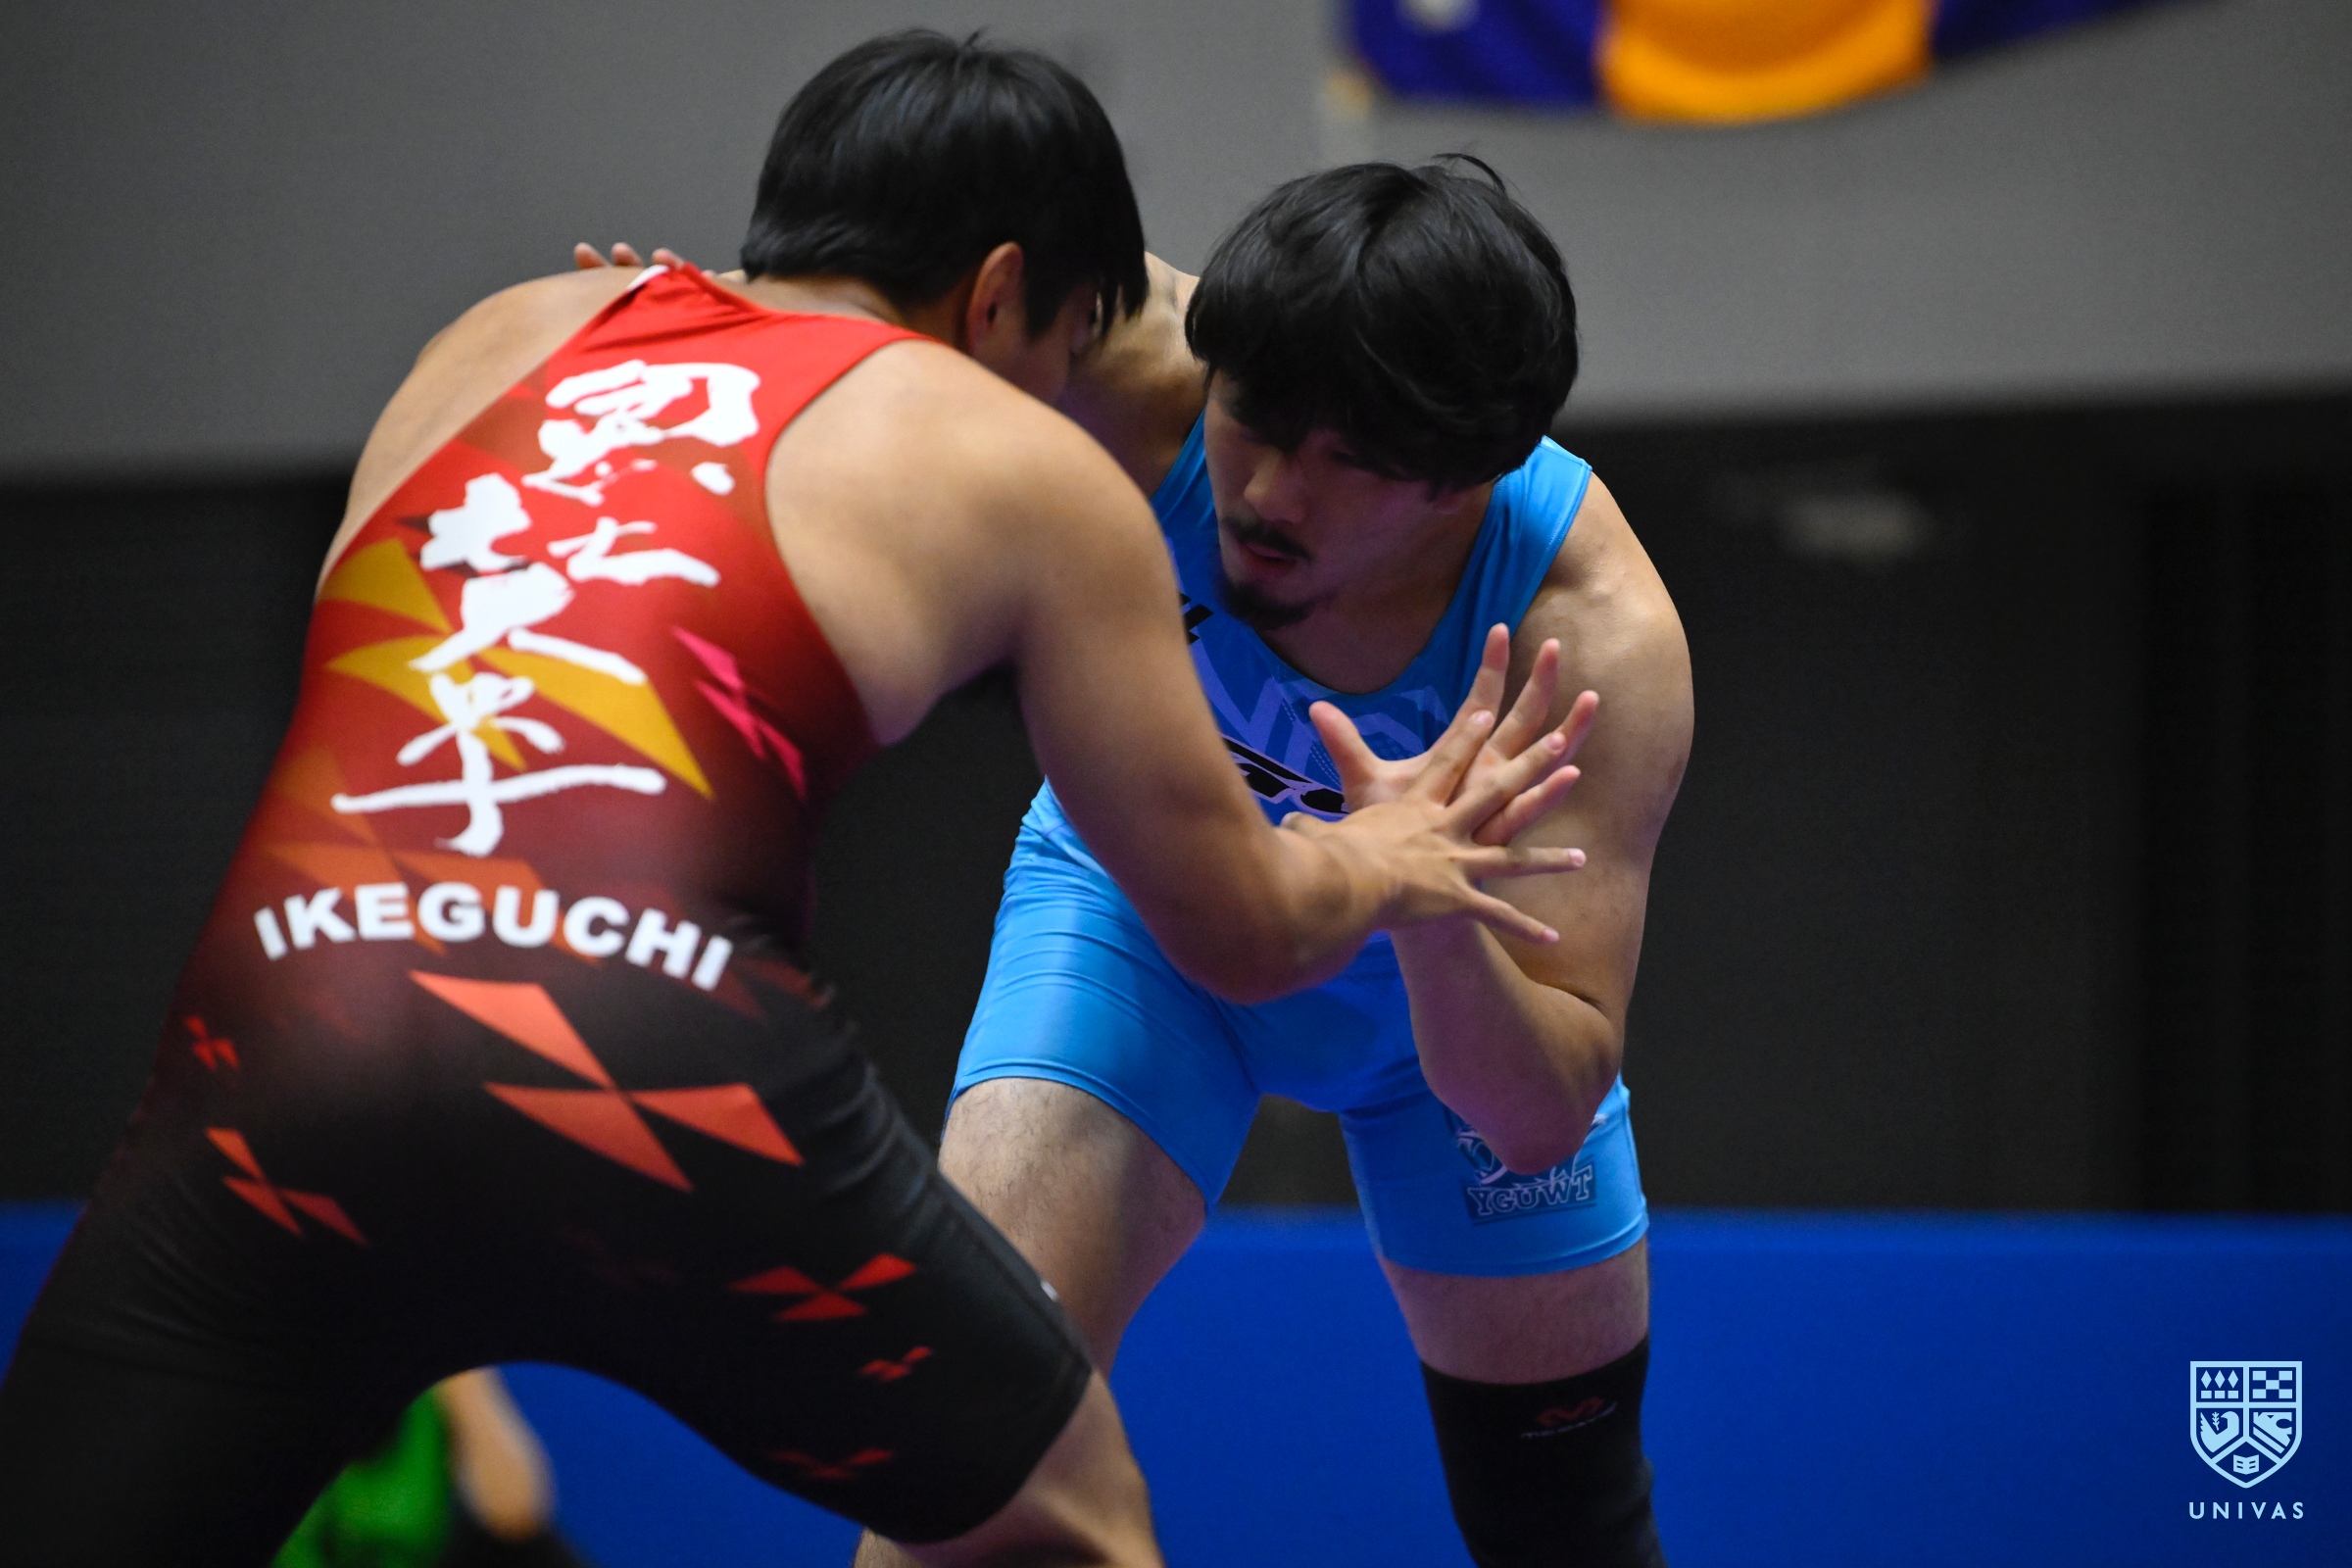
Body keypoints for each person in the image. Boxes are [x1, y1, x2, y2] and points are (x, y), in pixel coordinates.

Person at [0, 35, 1588, 1568]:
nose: (1076, 396)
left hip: (286, 1024)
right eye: (1075, 348)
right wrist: (1388, 857)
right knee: (1058, 1519)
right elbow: (1241, 932)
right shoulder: (1014, 457)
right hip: (647, 1053)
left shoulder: (500, 330)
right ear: (998, 296)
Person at [922, 161, 1693, 1568]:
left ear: (1464, 482)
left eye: (1349, 466)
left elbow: (1536, 1114)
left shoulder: (1593, 642)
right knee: (964, 1423)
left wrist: (1426, 901)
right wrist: (667, 332)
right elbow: (849, 310)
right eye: (1254, 425)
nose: (1270, 494)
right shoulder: (1124, 361)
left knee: (1565, 1527)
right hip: (1149, 917)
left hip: (1443, 1009)